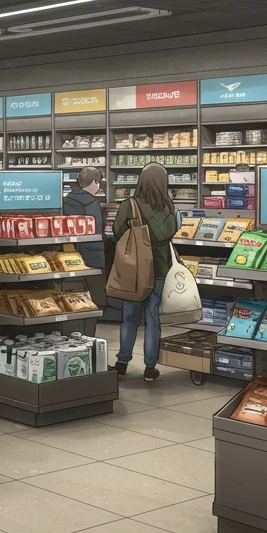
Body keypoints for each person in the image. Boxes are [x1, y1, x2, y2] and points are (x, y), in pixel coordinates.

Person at [109, 162, 177, 382]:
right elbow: (169, 233)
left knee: (129, 317)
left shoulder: (129, 205)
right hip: (159, 268)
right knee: (152, 317)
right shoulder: (168, 207)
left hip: (134, 271)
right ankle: (150, 367)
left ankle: (122, 363)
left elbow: (118, 232)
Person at [62, 167, 106, 335]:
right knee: (92, 303)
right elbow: (96, 232)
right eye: (99, 183)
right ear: (94, 182)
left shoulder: (66, 200)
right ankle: (88, 337)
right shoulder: (92, 204)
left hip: (68, 258)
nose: (99, 187)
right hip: (91, 258)